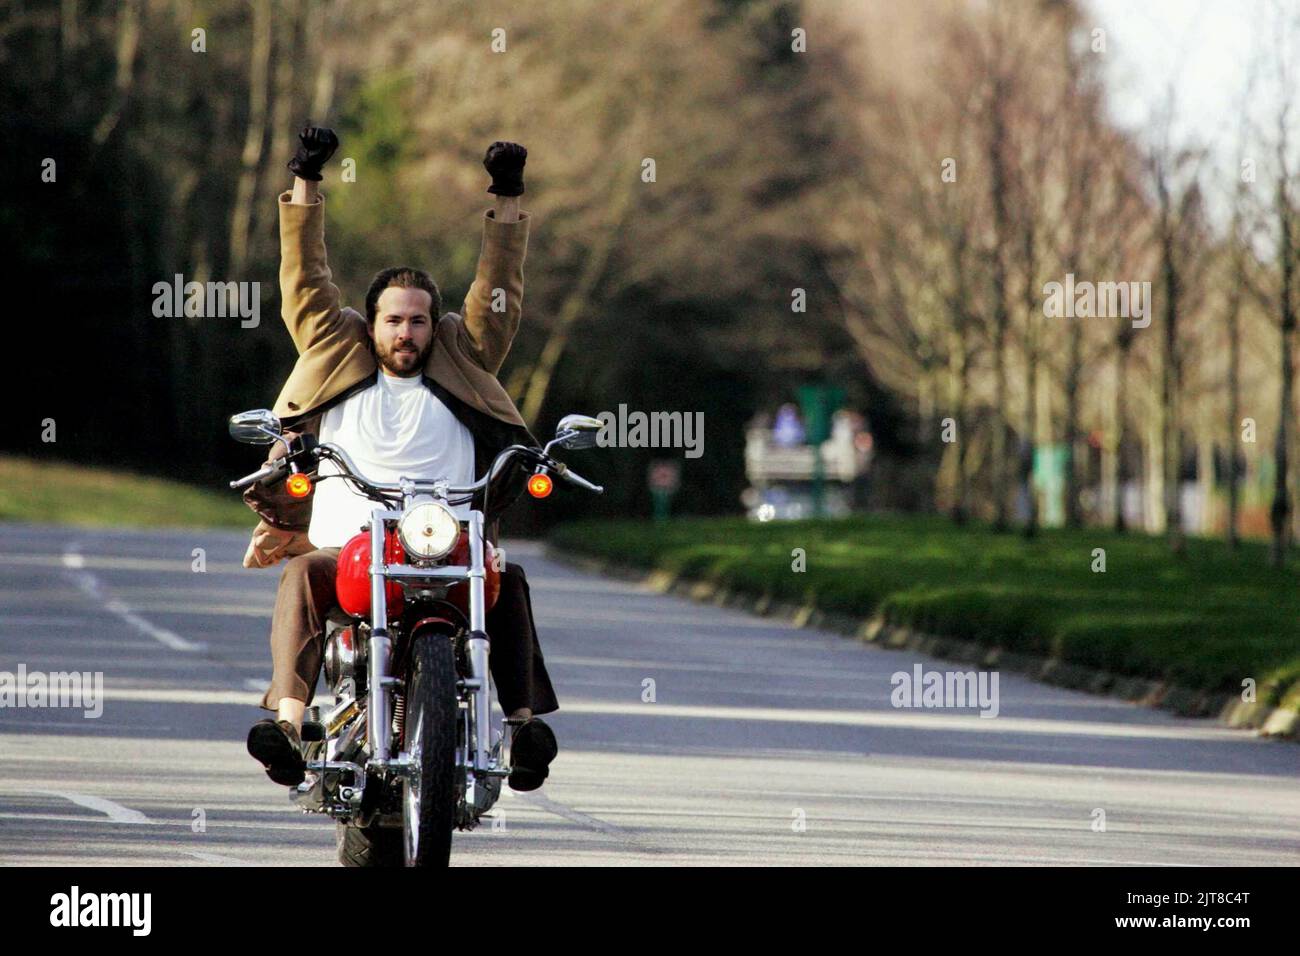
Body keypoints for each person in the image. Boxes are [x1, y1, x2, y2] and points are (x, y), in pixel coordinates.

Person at [243, 126, 558, 793]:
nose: (406, 332)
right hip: (351, 549)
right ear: (372, 321)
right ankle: (292, 722)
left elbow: (500, 293)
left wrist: (506, 195)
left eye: (418, 320)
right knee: (302, 577)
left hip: (446, 548)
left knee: (511, 579)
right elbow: (305, 278)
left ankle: (524, 723)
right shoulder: (335, 352)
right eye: (393, 319)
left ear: (433, 327)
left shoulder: (463, 361)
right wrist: (307, 180)